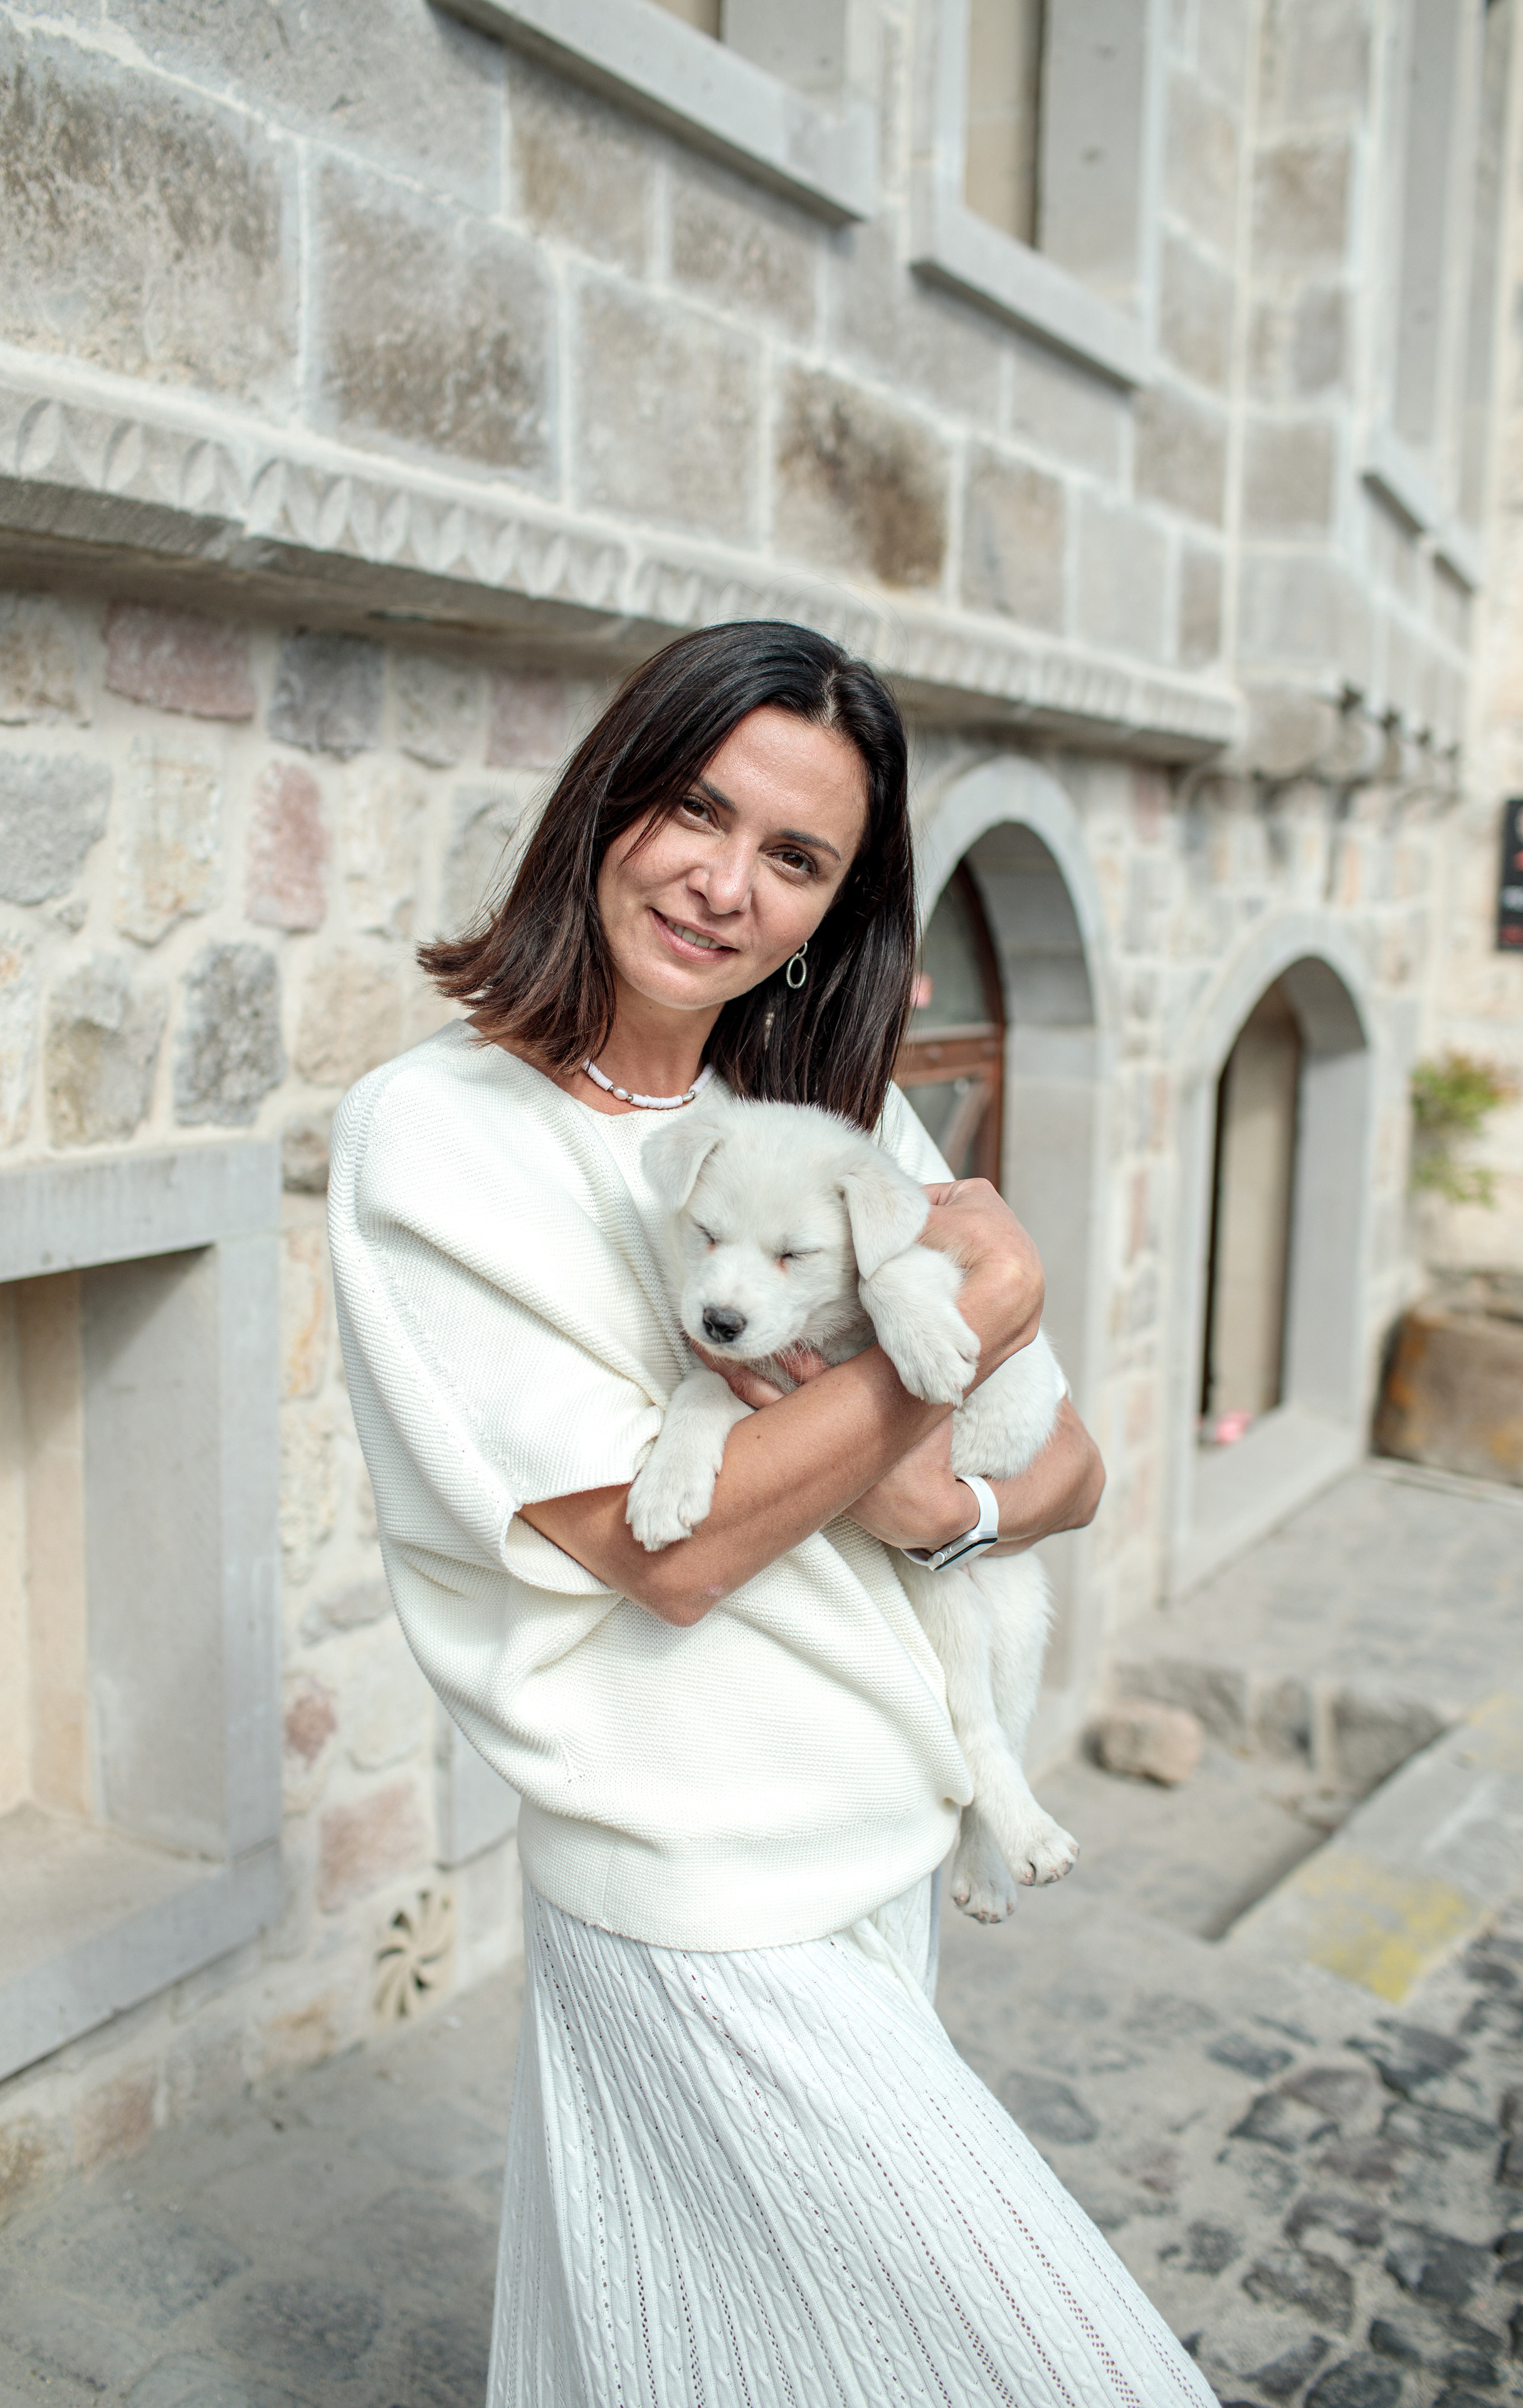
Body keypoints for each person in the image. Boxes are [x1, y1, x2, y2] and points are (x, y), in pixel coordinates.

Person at [329, 622, 1216, 2405]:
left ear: (834, 910)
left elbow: (1070, 1477)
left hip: (887, 1835)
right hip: (694, 1887)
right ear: (609, 804)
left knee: (686, 2358)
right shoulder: (438, 1139)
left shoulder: (821, 1117)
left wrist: (940, 1506)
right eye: (694, 808)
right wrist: (964, 1329)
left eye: (797, 857)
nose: (727, 884)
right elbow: (682, 1549)